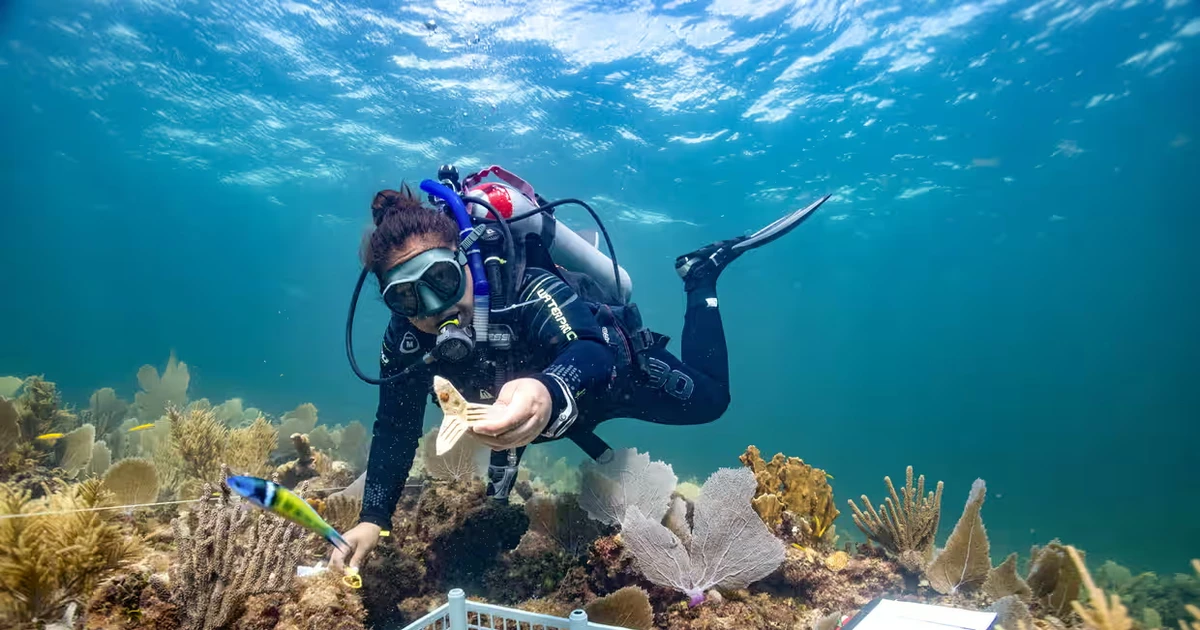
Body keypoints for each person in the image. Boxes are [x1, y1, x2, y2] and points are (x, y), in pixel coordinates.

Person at [330, 170, 828, 571]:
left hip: (608, 380)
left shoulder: (523, 286)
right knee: (494, 500)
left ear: (465, 260)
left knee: (712, 401)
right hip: (524, 414)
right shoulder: (407, 340)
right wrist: (373, 518)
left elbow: (589, 349)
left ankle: (701, 276)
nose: (434, 308)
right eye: (408, 296)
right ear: (391, 302)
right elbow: (394, 428)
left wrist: (548, 389)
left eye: (441, 279)